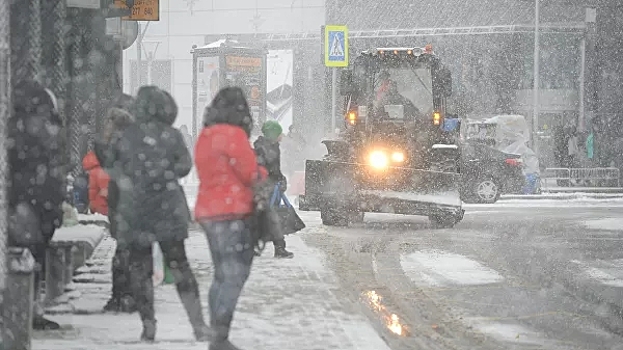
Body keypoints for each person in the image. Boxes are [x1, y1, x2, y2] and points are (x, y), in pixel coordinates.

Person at [105, 86, 210, 341]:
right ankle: (198, 324)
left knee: (140, 269)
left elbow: (113, 172)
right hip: (168, 209)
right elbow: (185, 167)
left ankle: (148, 324)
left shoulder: (126, 136)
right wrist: (165, 172)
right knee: (180, 266)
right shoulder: (172, 135)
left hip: (136, 210)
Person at [195, 87, 268, 350]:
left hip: (209, 214)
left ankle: (216, 331)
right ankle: (220, 337)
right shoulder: (234, 136)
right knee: (235, 275)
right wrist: (261, 169)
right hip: (233, 213)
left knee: (221, 275)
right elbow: (250, 174)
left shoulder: (205, 136)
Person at [7, 80, 67, 330]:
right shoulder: (45, 127)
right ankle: (28, 309)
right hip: (36, 203)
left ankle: (22, 309)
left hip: (24, 202)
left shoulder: (14, 127)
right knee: (33, 255)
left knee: (25, 254)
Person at [94, 96, 137, 313]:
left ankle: (122, 295)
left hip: (122, 200)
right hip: (127, 201)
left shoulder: (117, 141)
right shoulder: (132, 139)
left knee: (124, 249)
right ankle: (127, 295)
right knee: (128, 250)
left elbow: (108, 162)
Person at [254, 120, 295, 259]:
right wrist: (275, 179)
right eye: (278, 133)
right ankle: (278, 247)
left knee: (268, 217)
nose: (281, 136)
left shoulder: (272, 146)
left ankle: (275, 247)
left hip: (272, 187)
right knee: (270, 217)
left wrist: (281, 179)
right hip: (266, 188)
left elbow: (274, 168)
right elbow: (265, 168)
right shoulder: (263, 148)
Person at [82, 150, 109, 215]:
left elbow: (105, 191)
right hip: (100, 207)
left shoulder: (97, 174)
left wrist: (94, 203)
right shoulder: (98, 173)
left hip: (101, 208)